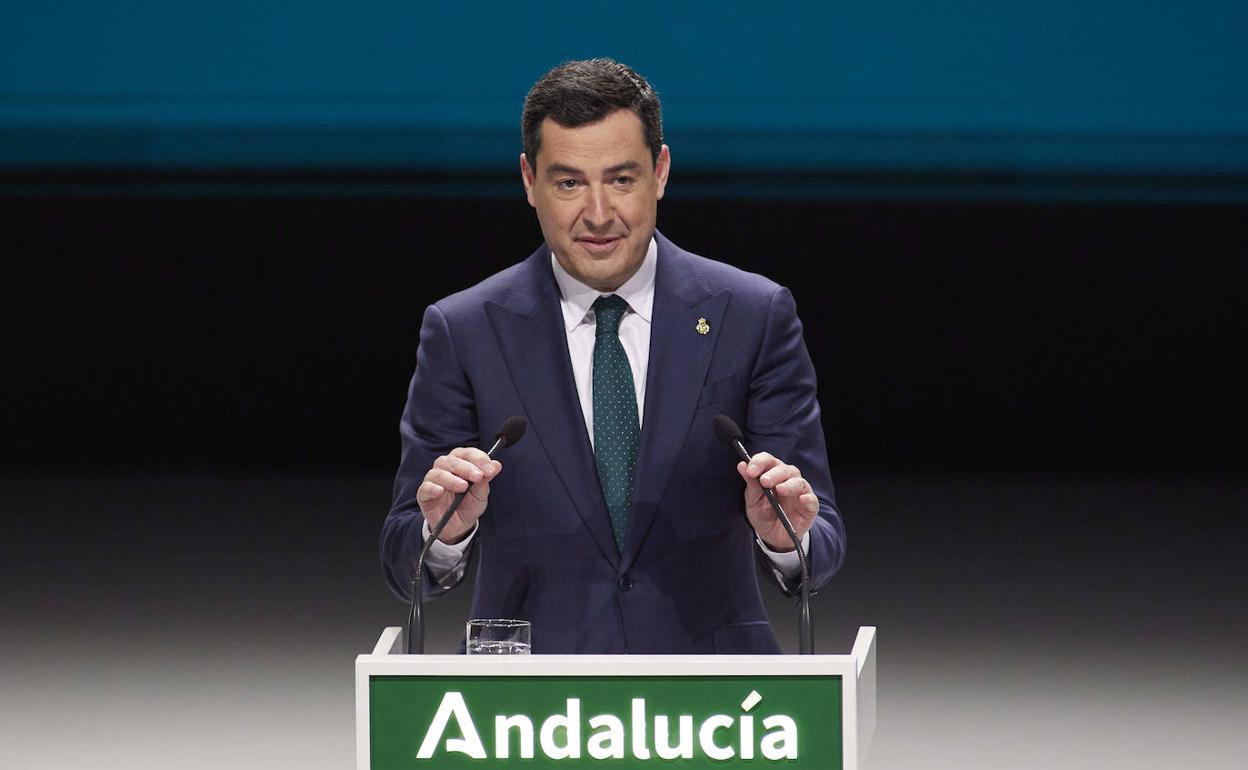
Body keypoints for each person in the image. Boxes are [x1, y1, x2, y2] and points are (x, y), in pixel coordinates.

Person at [380, 58, 845, 653]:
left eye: (621, 180)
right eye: (569, 182)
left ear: (661, 172)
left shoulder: (752, 315)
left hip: (715, 703)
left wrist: (785, 535)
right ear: (528, 180)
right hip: (528, 711)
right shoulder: (464, 330)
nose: (598, 214)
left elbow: (819, 545)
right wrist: (445, 529)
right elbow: (403, 560)